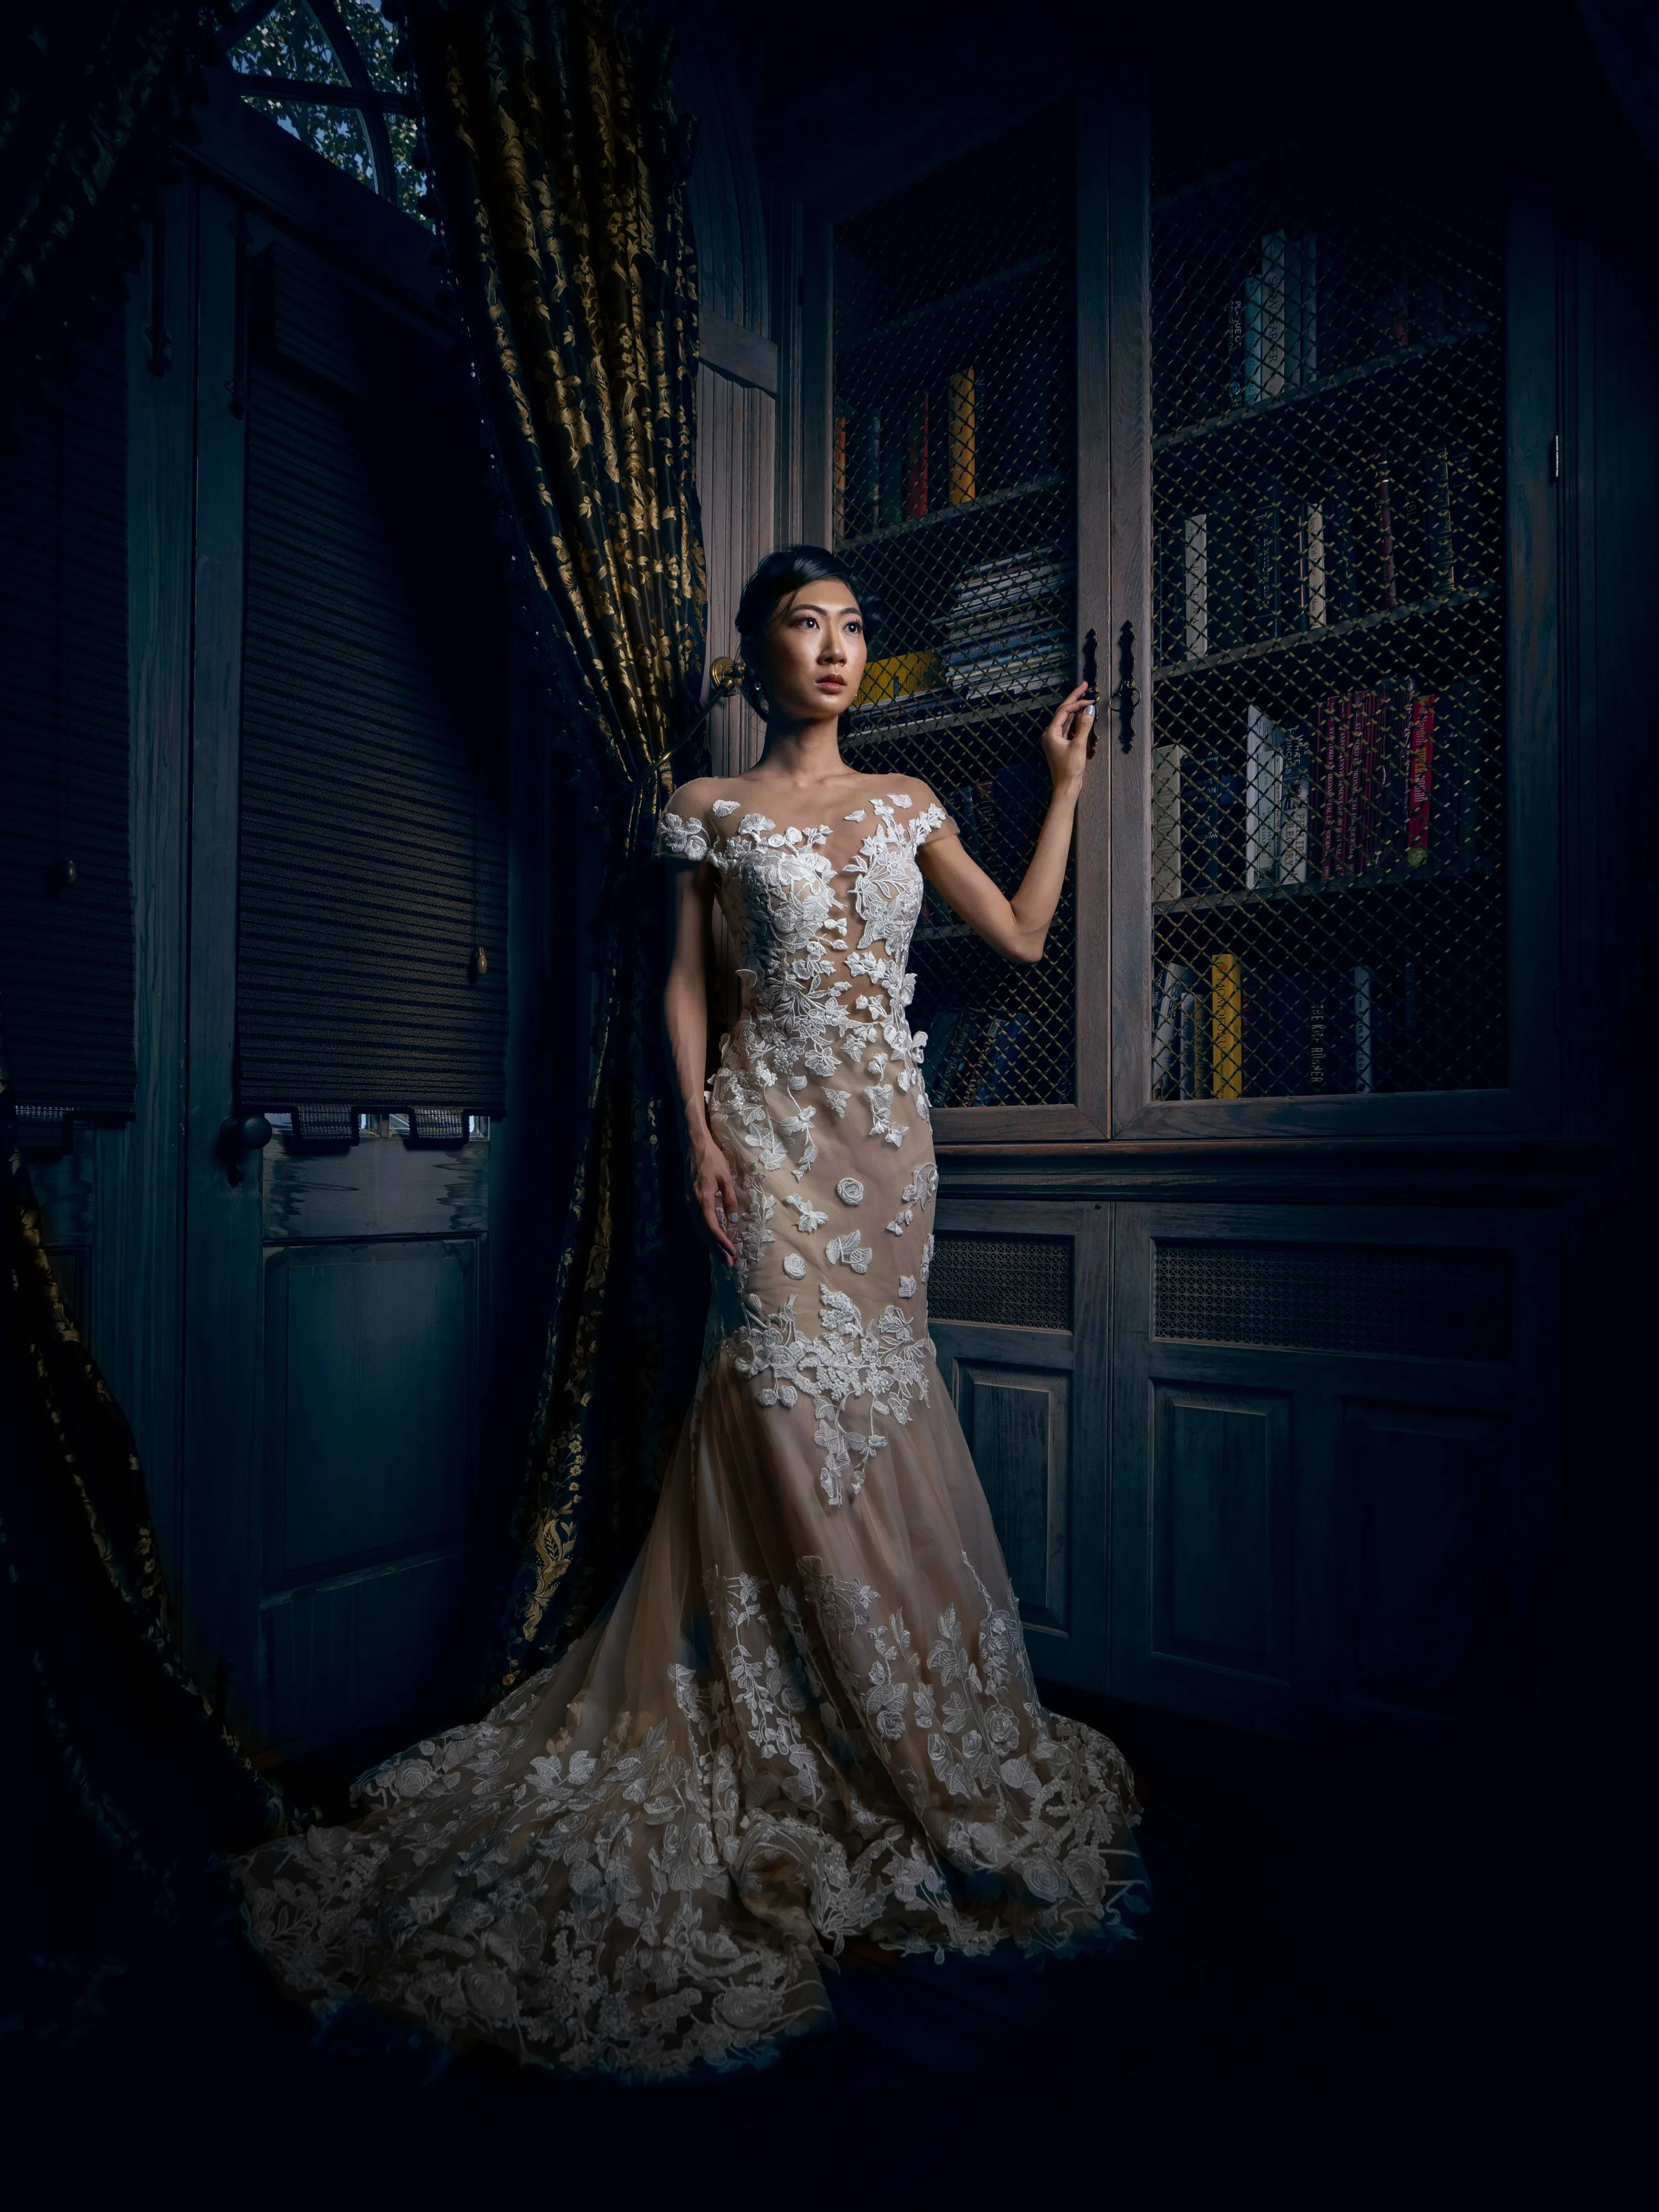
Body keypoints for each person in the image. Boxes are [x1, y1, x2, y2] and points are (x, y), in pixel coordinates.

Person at [237, 546, 1147, 2079]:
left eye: (853, 625)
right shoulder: (708, 809)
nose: (835, 648)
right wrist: (699, 1136)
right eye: (805, 623)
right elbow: (674, 985)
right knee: (779, 1392)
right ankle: (790, 1703)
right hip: (769, 1141)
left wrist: (1060, 790)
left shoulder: (907, 802)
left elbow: (1017, 937)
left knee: (875, 1410)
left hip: (887, 1156)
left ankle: (884, 1714)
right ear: (754, 649)